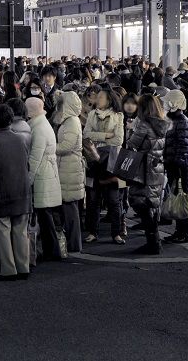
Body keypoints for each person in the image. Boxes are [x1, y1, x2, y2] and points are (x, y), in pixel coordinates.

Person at [0, 104, 32, 281]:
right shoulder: (21, 140)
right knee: (20, 229)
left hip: (2, 191)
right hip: (22, 189)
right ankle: (23, 266)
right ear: (11, 120)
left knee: (4, 230)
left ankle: (8, 269)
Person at [126, 94, 169, 255]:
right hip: (156, 167)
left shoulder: (144, 125)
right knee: (151, 203)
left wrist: (130, 131)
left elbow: (132, 144)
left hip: (143, 168)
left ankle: (153, 242)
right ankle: (154, 241)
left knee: (140, 203)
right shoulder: (161, 124)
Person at [83, 88, 125, 245]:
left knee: (115, 200)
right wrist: (106, 135)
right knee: (94, 199)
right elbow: (86, 135)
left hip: (113, 161)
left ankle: (117, 233)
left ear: (109, 100)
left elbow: (118, 140)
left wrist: (98, 139)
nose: (97, 98)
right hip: (94, 161)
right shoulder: (92, 114)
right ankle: (93, 232)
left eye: (101, 97)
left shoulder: (118, 115)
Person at [24, 97, 63, 261]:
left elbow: (35, 157)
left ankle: (52, 250)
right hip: (47, 172)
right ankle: (51, 249)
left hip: (42, 174)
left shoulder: (38, 128)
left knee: (45, 214)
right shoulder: (42, 124)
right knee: (45, 214)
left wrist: (29, 179)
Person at [160, 90, 188, 243]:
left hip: (181, 164)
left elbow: (182, 146)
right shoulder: (173, 119)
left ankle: (184, 233)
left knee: (182, 197)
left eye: (168, 101)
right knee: (176, 196)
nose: (165, 104)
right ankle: (179, 231)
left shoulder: (183, 121)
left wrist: (176, 165)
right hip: (174, 163)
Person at [53, 91, 85, 253]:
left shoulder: (71, 121)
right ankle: (72, 244)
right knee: (69, 208)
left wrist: (51, 148)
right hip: (68, 168)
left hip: (70, 169)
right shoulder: (70, 120)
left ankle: (74, 244)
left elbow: (67, 146)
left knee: (70, 208)